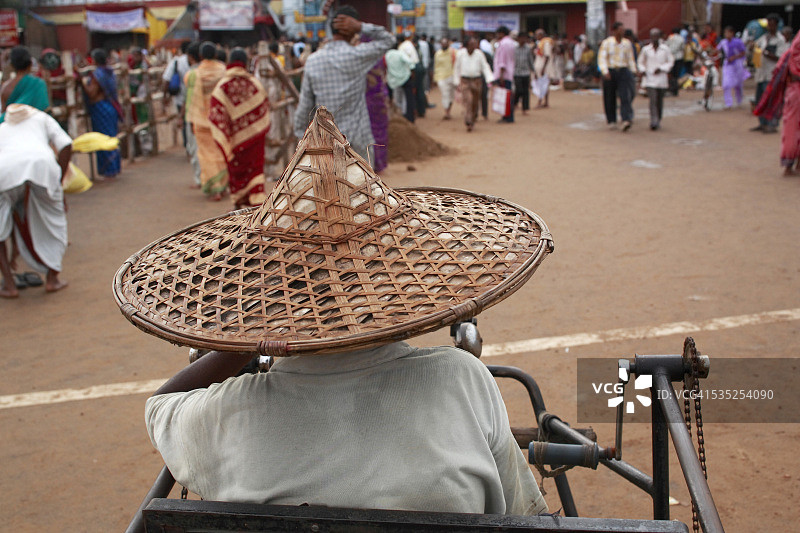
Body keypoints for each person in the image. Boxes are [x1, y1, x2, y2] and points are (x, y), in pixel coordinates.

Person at [118, 106, 550, 516]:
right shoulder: (461, 380)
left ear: (271, 298)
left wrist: (242, 342)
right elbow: (520, 513)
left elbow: (161, 407)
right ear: (398, 282)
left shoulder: (228, 415)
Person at [293, 6, 394, 161]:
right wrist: (361, 27)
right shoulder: (357, 56)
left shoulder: (313, 61)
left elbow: (304, 109)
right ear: (353, 31)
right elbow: (389, 40)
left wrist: (304, 140)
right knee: (364, 185)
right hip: (358, 145)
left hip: (326, 146)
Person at [0, 104, 71, 298]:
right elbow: (66, 144)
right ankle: (52, 279)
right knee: (55, 222)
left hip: (2, 172)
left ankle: (9, 284)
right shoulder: (42, 118)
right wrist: (58, 184)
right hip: (41, 167)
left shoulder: (2, 128)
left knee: (0, 230)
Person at [208, 48, 270, 209]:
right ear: (245, 63)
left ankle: (239, 207)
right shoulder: (254, 83)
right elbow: (264, 109)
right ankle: (257, 208)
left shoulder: (222, 86)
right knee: (255, 172)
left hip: (235, 143)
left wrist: (227, 137)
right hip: (255, 139)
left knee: (237, 174)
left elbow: (216, 115)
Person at [755, 31, 800, 175]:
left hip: (794, 89)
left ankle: (790, 165)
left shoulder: (792, 50)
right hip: (795, 89)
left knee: (791, 127)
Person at [188, 42, 228, 201]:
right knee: (221, 150)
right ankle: (223, 186)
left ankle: (215, 188)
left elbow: (189, 92)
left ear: (200, 56)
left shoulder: (194, 74)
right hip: (220, 117)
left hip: (201, 118)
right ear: (217, 55)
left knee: (205, 154)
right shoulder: (223, 71)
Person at [80, 49, 122, 178]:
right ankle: (114, 167)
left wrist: (82, 83)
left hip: (101, 108)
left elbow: (92, 93)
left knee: (103, 139)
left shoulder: (97, 75)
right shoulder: (110, 72)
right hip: (110, 107)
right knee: (111, 137)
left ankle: (108, 170)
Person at [598, 22, 637, 131]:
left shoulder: (627, 43)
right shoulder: (607, 43)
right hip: (610, 71)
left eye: (623, 30)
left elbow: (630, 58)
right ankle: (611, 120)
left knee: (625, 95)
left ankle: (626, 119)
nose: (622, 32)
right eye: (620, 29)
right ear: (614, 31)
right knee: (609, 97)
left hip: (623, 70)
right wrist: (605, 71)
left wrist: (634, 70)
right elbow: (602, 58)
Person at [752, 14, 787, 133]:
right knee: (760, 99)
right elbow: (756, 46)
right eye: (768, 24)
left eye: (772, 24)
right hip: (761, 73)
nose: (770, 26)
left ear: (776, 25)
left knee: (772, 100)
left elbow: (779, 58)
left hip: (771, 74)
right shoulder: (764, 37)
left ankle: (772, 124)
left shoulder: (780, 39)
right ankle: (762, 123)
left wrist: (764, 53)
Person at [454, 37, 494, 132]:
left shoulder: (479, 54)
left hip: (477, 81)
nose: (474, 46)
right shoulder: (461, 54)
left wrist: (489, 78)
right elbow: (457, 67)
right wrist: (456, 81)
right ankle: (468, 121)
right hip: (465, 81)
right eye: (472, 44)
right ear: (467, 44)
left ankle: (473, 117)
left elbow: (485, 66)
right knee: (469, 100)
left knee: (475, 102)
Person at [638, 29, 674, 131]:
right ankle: (654, 120)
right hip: (650, 78)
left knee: (659, 101)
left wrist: (662, 68)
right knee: (652, 100)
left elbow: (670, 62)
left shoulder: (665, 49)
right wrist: (643, 70)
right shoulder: (646, 50)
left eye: (656, 36)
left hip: (661, 78)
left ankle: (658, 118)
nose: (655, 38)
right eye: (653, 36)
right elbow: (640, 62)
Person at [0, 46, 49, 121]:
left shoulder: (5, 87)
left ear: (12, 65)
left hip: (13, 129)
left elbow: (4, 114)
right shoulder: (38, 84)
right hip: (35, 128)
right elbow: (43, 108)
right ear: (30, 64)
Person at [363, 39, 389, 172]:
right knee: (380, 132)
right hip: (379, 101)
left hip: (367, 102)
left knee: (370, 133)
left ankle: (372, 163)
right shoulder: (378, 60)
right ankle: (379, 163)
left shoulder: (360, 62)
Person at [162, 41, 192, 148]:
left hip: (180, 97)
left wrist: (165, 96)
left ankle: (187, 145)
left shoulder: (176, 61)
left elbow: (166, 79)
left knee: (183, 120)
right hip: (194, 97)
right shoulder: (195, 61)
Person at [181, 42, 202, 189]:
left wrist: (182, 114)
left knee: (195, 148)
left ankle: (200, 179)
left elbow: (187, 97)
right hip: (211, 117)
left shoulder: (191, 75)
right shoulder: (213, 71)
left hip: (195, 117)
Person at [717, 27, 749, 109]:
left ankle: (739, 101)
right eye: (725, 33)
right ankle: (728, 103)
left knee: (738, 84)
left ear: (732, 33)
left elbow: (743, 53)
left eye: (728, 33)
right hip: (728, 64)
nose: (726, 35)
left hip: (738, 64)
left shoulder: (738, 42)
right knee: (726, 84)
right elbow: (717, 50)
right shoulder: (723, 42)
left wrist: (734, 57)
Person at [386, 40, 416, 123]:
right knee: (407, 98)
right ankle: (408, 118)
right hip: (404, 78)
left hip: (393, 80)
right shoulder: (400, 53)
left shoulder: (387, 55)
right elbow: (410, 63)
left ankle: (397, 117)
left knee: (396, 98)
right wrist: (412, 71)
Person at [493, 26, 516, 123]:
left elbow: (502, 61)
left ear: (502, 33)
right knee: (507, 95)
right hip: (509, 72)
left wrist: (501, 75)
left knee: (504, 96)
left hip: (504, 74)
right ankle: (508, 116)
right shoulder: (511, 43)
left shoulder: (503, 44)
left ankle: (507, 117)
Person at [433, 38, 457, 120]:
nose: (444, 45)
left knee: (451, 95)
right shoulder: (438, 54)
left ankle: (448, 111)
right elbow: (436, 66)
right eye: (442, 43)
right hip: (441, 77)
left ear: (448, 44)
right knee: (445, 94)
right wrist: (435, 77)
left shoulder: (453, 52)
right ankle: (446, 112)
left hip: (452, 76)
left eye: (445, 43)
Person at [512, 33, 534, 115]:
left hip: (526, 73)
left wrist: (533, 70)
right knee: (518, 90)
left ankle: (524, 108)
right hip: (516, 72)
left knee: (525, 91)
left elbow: (530, 60)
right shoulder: (514, 48)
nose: (523, 40)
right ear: (518, 39)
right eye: (522, 38)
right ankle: (515, 103)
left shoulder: (528, 49)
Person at [532, 29, 552, 109]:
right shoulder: (539, 43)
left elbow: (547, 56)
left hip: (543, 67)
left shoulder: (546, 43)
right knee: (543, 84)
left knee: (542, 84)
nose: (536, 36)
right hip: (538, 66)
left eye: (537, 34)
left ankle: (540, 101)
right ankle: (545, 102)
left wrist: (543, 68)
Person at [665, 28, 685, 95]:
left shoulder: (670, 37)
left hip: (671, 57)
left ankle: (672, 89)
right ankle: (675, 90)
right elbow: (682, 48)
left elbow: (666, 45)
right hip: (679, 58)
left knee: (672, 74)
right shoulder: (681, 38)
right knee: (676, 75)